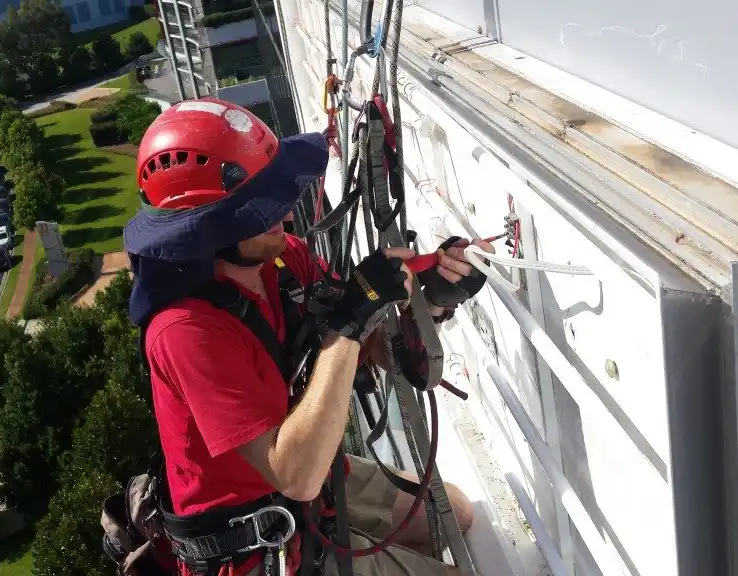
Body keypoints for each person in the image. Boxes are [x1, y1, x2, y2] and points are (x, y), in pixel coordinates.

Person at [123, 98, 495, 576]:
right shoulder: (184, 331)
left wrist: (431, 300)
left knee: (455, 514)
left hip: (307, 481)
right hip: (258, 536)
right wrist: (351, 321)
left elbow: (369, 346)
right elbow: (294, 474)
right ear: (209, 229)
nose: (283, 213)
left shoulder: (281, 260)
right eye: (261, 207)